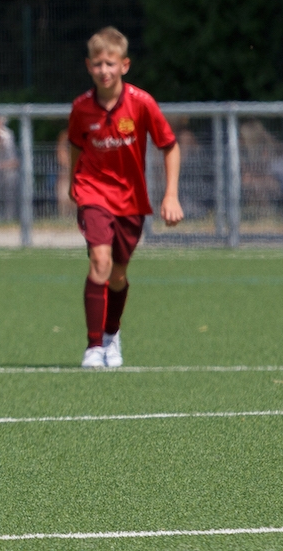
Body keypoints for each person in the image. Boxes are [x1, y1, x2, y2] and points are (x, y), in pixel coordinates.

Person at [68, 26, 182, 368]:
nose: (104, 70)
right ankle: (93, 346)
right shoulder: (81, 108)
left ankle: (111, 335)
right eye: (98, 63)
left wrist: (171, 195)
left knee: (117, 275)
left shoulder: (141, 103)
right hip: (93, 193)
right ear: (88, 66)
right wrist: (74, 184)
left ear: (124, 65)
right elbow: (75, 147)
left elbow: (169, 146)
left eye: (110, 63)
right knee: (100, 262)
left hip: (131, 201)